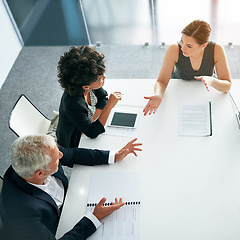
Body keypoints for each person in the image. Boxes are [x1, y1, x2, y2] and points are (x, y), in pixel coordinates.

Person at [0, 135, 142, 240]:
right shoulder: (20, 213)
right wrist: (94, 218)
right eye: (57, 158)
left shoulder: (43, 153)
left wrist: (113, 156)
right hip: (57, 227)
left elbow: (73, 154)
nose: (61, 155)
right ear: (40, 173)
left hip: (70, 204)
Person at [143, 19, 232, 116]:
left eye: (189, 46)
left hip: (203, 93)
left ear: (203, 45)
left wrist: (212, 81)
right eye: (182, 41)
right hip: (179, 89)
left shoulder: (216, 49)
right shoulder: (174, 49)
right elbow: (162, 81)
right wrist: (158, 94)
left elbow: (227, 86)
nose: (183, 48)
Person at [56, 46, 122, 148]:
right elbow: (92, 132)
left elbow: (103, 97)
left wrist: (93, 119)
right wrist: (109, 107)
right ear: (86, 86)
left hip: (84, 129)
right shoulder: (72, 103)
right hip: (74, 141)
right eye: (100, 78)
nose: (104, 78)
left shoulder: (88, 84)